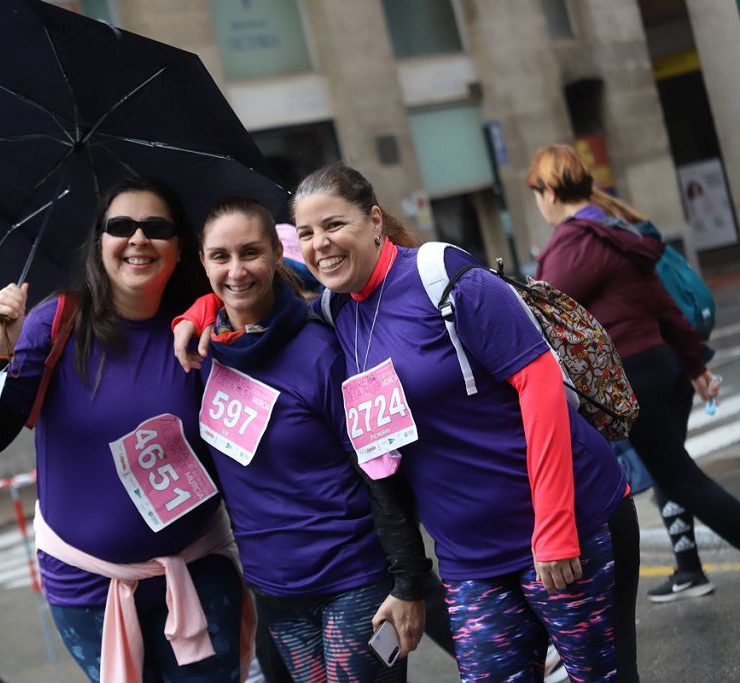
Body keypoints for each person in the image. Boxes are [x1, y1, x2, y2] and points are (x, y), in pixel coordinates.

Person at [176, 163, 638, 681]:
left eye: (334, 225)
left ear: (375, 221)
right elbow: (246, 283)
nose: (320, 243)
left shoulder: (445, 278)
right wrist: (197, 312)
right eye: (306, 233)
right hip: (470, 558)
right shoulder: (336, 310)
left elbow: (542, 388)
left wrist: (554, 529)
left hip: (568, 525)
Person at [0, 177, 252, 683]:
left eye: (156, 228)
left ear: (181, 248)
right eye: (120, 226)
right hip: (87, 587)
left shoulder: (204, 328)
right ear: (99, 244)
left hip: (198, 571)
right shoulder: (55, 323)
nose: (137, 239)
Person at [180, 197, 431, 681]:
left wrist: (409, 582)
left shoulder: (324, 347)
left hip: (354, 581)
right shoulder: (203, 353)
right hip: (275, 591)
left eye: (250, 252)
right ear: (203, 263)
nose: (236, 270)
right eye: (220, 257)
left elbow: (381, 468)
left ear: (278, 252)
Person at [528, 144, 736, 600]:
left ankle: (584, 605)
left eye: (537, 193)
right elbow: (664, 308)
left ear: (549, 191)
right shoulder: (614, 234)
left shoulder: (572, 245)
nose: (538, 204)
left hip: (632, 378)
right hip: (662, 368)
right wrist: (693, 365)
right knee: (671, 473)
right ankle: (688, 568)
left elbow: (538, 317)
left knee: (680, 478)